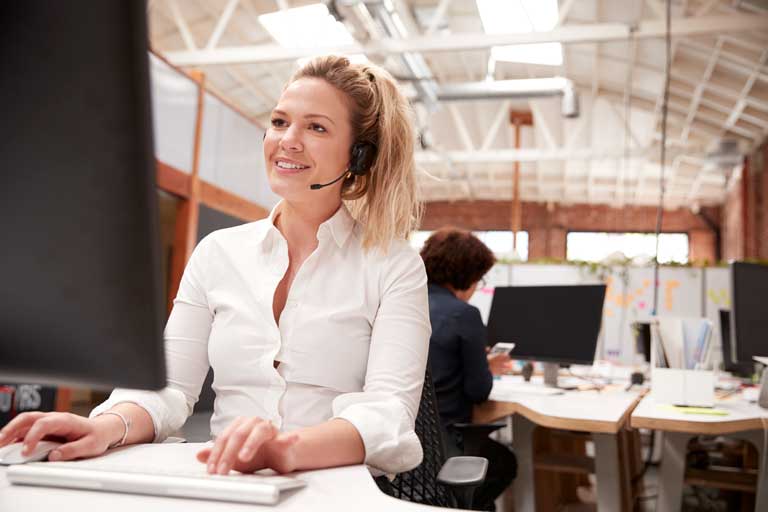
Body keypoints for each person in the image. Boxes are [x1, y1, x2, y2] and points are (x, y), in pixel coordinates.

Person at [0, 55, 431, 477]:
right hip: (225, 482)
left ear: (359, 156)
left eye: (316, 127)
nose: (288, 140)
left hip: (336, 491)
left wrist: (282, 451)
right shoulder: (218, 253)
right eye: (280, 122)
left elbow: (388, 414)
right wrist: (105, 427)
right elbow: (169, 386)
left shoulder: (393, 265)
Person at [420, 228, 516, 511]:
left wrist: (479, 362)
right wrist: (485, 368)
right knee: (504, 463)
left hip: (403, 440)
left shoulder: (405, 302)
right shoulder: (464, 315)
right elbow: (478, 390)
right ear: (468, 275)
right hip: (444, 443)